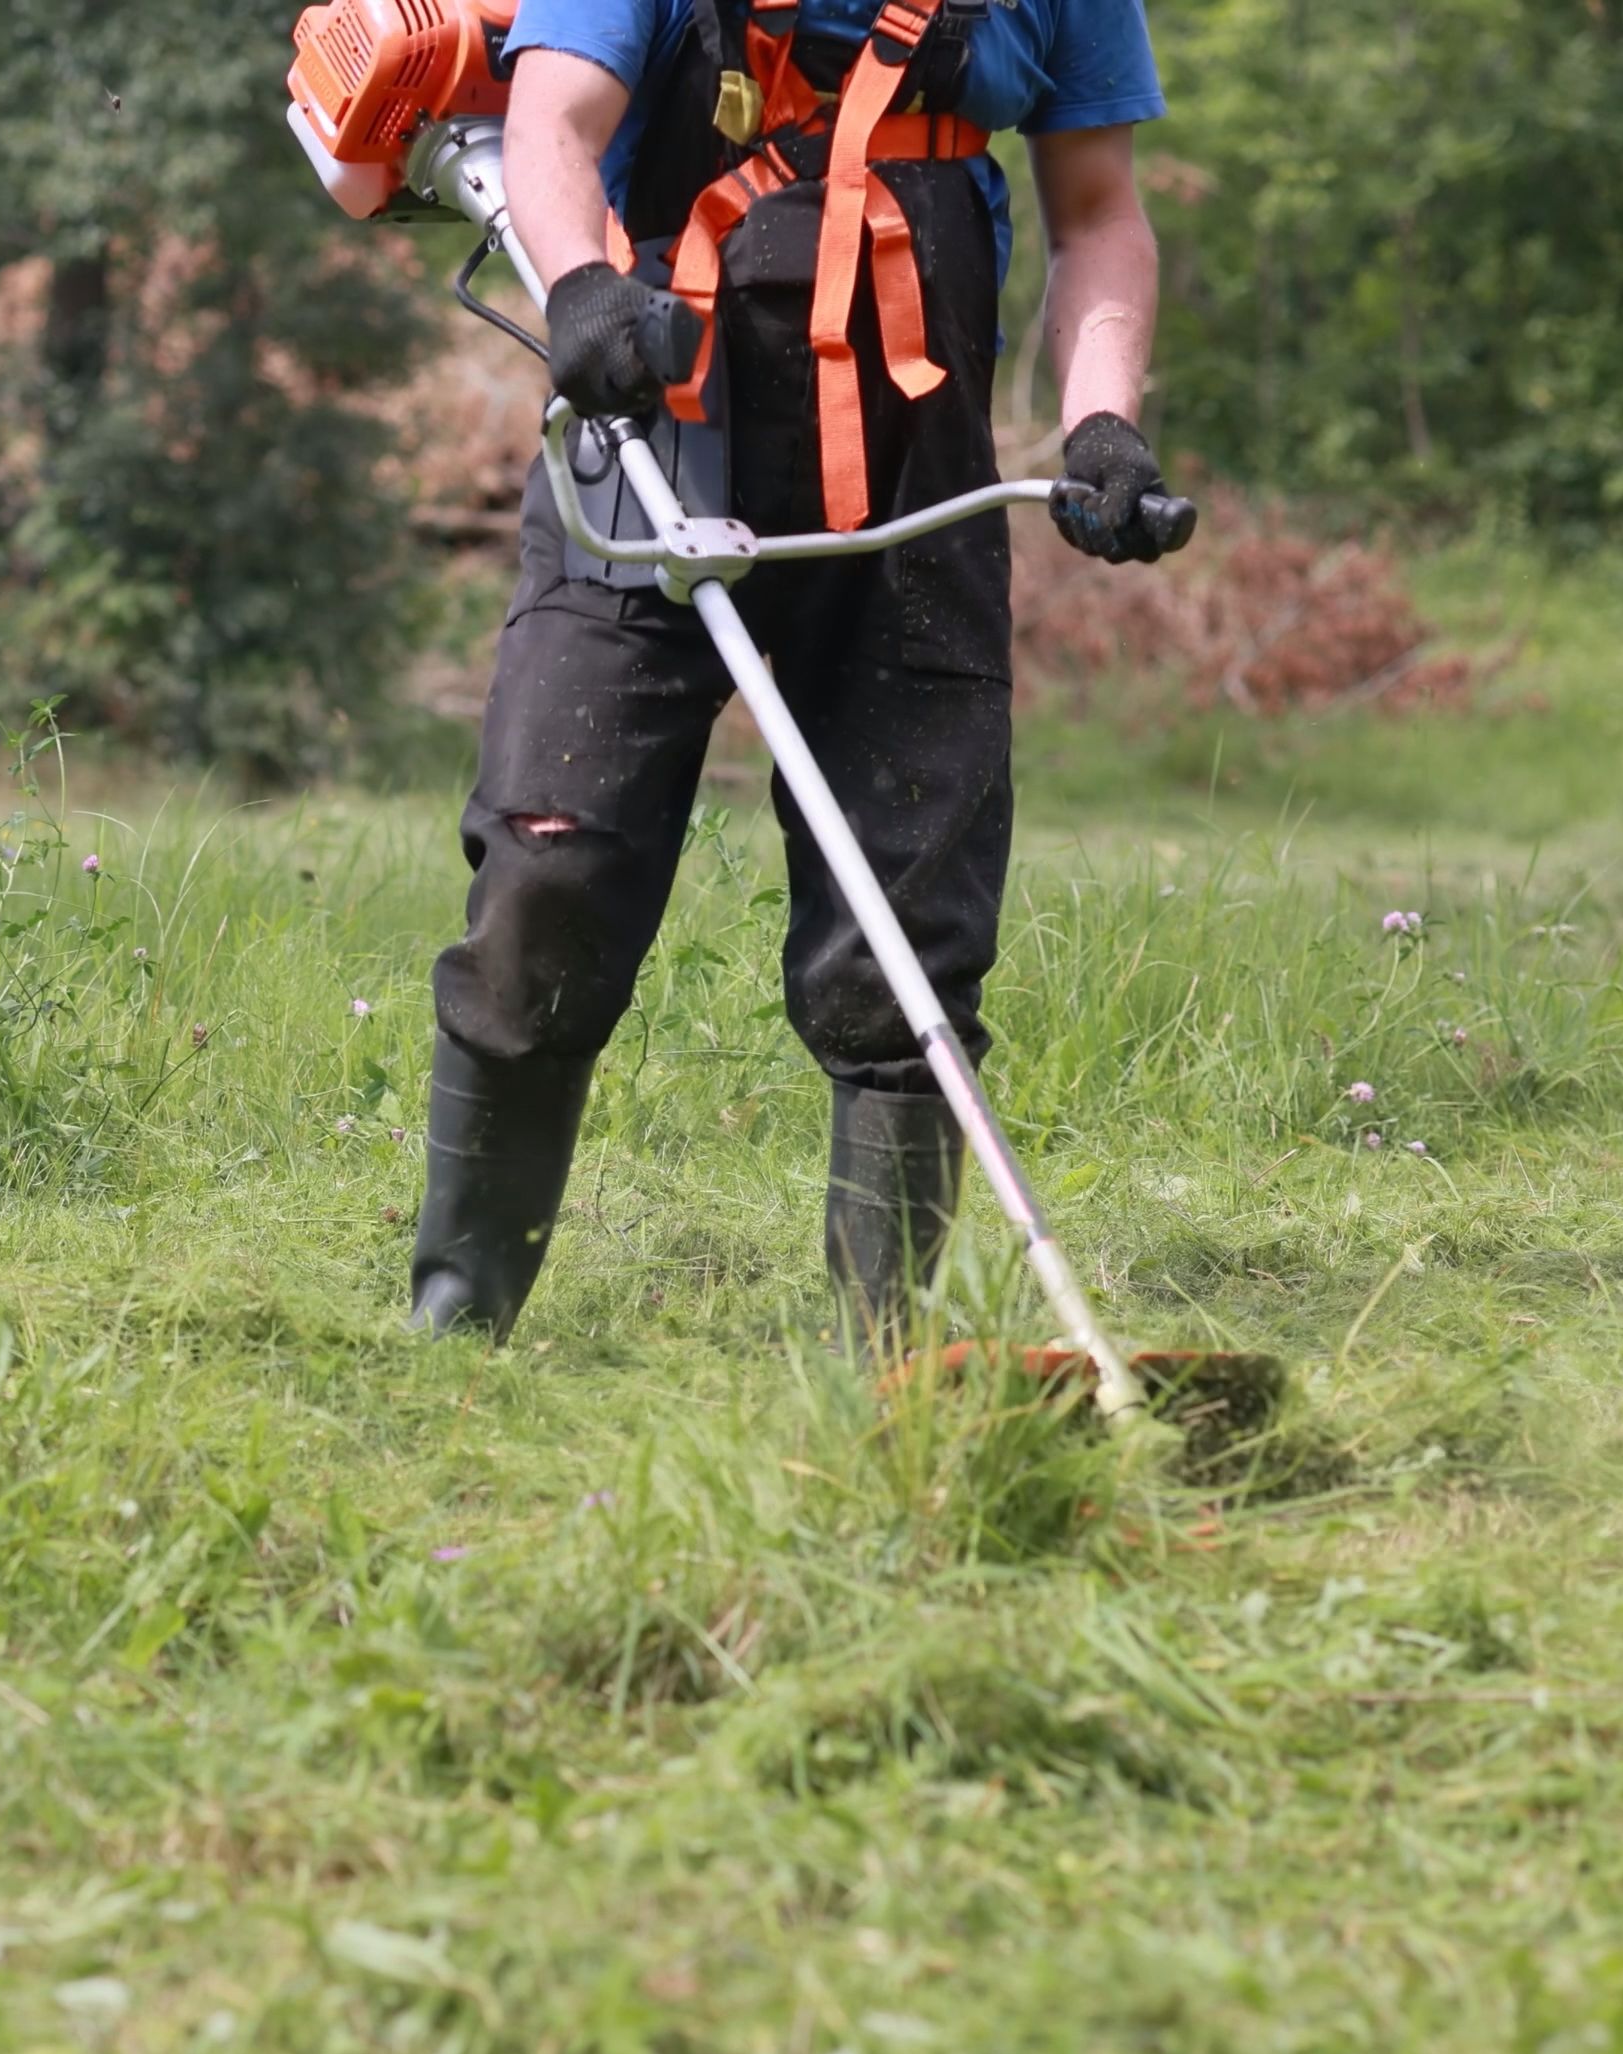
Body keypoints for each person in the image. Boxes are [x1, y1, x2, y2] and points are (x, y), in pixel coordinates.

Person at [408, 0, 1190, 1346]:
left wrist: (1102, 421)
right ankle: (455, 1328)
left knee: (910, 910)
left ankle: (888, 1364)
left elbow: (1100, 209)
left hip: (906, 465)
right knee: (551, 864)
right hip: (651, 426)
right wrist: (586, 291)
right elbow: (552, 125)